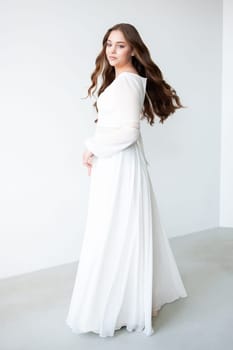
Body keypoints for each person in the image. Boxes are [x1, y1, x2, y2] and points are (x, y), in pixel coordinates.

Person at [66, 22, 188, 338]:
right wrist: (94, 150)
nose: (112, 50)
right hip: (114, 162)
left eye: (120, 45)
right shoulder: (121, 81)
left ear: (133, 48)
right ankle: (127, 301)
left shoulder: (130, 82)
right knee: (116, 228)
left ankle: (125, 304)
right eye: (109, 43)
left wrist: (91, 146)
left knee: (116, 229)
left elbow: (129, 132)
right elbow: (113, 126)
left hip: (120, 164)